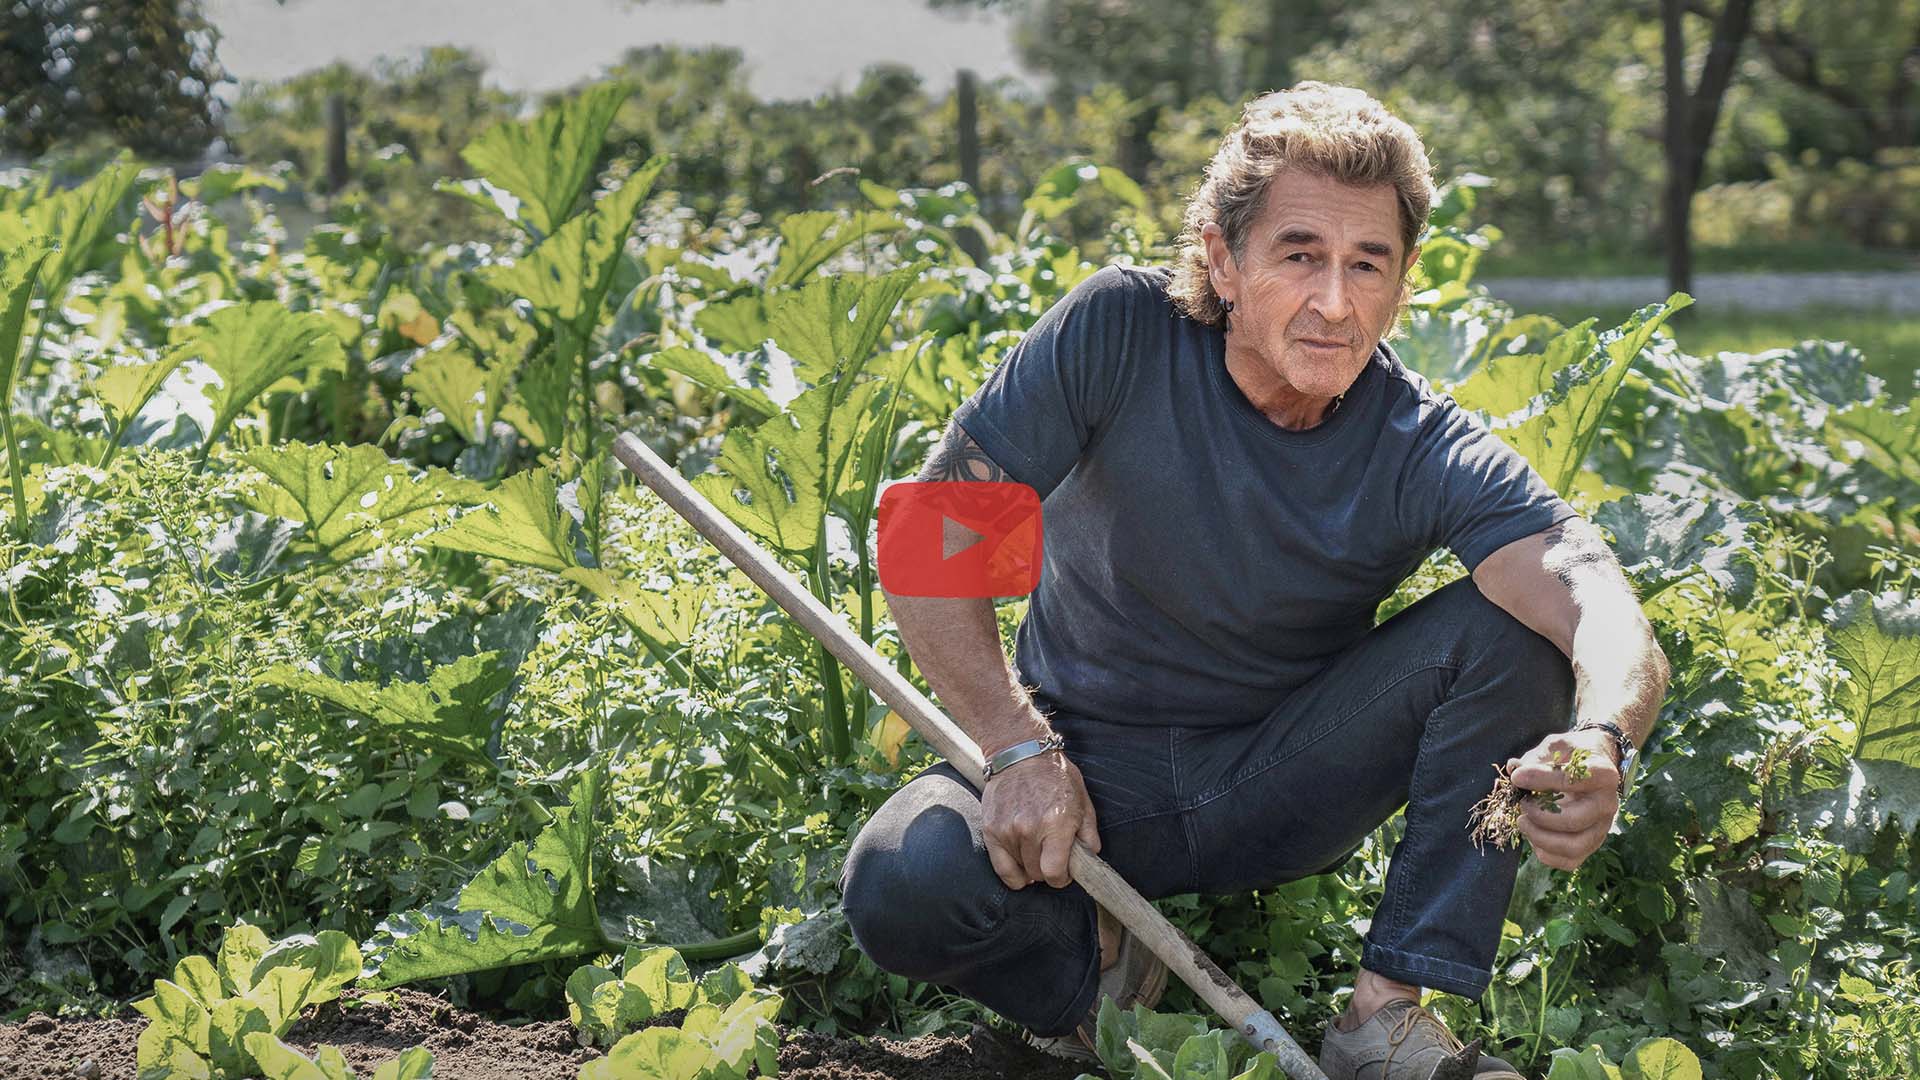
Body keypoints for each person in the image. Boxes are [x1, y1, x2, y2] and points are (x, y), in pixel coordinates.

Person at [839, 82, 1669, 1080]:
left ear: (1404, 283)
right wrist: (1016, 746)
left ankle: (1383, 1021)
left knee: (1520, 631)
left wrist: (1606, 732)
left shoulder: (1418, 442)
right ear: (1224, 259)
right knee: (903, 877)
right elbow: (934, 540)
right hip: (1084, 769)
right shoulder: (1119, 333)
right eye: (1300, 255)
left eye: (1369, 264)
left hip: (1281, 779)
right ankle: (1096, 970)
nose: (1335, 302)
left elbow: (1593, 593)